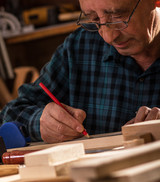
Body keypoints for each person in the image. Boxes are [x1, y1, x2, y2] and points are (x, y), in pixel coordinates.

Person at [1, 0, 160, 144]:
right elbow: (10, 113)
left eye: (118, 16)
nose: (108, 37)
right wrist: (41, 122)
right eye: (94, 19)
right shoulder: (80, 46)